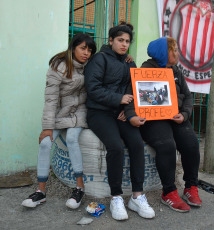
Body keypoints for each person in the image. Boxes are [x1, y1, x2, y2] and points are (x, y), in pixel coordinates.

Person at [84, 22, 155, 220]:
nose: (124, 45)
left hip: (121, 113)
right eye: (120, 40)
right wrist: (118, 99)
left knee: (136, 144)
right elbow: (93, 88)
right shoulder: (99, 59)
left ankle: (137, 196)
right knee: (115, 146)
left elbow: (133, 88)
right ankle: (116, 197)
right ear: (111, 41)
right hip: (99, 113)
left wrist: (127, 109)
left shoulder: (129, 63)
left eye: (127, 42)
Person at [125, 37, 202, 213]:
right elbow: (131, 97)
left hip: (176, 117)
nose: (177, 53)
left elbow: (188, 97)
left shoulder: (176, 71)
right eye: (173, 50)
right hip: (154, 120)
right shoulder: (144, 71)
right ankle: (169, 192)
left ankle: (191, 187)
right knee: (167, 145)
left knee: (191, 143)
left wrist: (184, 115)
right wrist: (131, 117)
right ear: (162, 53)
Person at [22, 33, 97, 209]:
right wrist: (47, 127)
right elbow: (50, 99)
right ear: (73, 47)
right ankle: (40, 192)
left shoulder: (91, 65)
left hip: (80, 112)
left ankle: (79, 188)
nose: (86, 53)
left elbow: (108, 58)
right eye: (83, 48)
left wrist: (126, 58)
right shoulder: (59, 66)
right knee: (45, 143)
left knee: (72, 138)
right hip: (59, 113)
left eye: (90, 50)